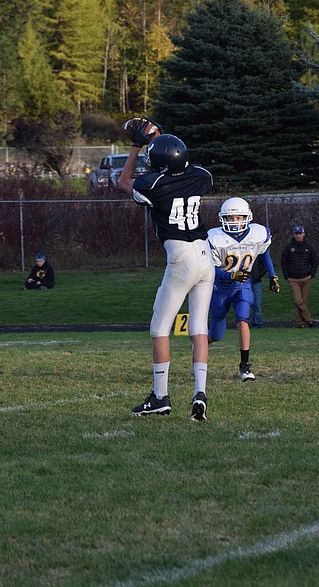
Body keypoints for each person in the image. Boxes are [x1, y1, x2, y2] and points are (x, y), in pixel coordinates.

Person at [119, 120, 214, 421]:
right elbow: (182, 162)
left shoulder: (154, 185)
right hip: (205, 255)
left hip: (181, 257)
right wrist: (163, 141)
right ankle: (200, 392)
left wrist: (137, 146)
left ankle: (160, 396)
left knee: (160, 329)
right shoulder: (201, 176)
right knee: (198, 327)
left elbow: (124, 182)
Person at [206, 197, 279, 381]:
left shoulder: (257, 233)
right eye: (231, 218)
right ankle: (201, 345)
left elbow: (264, 254)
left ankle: (245, 366)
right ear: (223, 219)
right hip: (220, 288)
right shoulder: (215, 238)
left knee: (243, 319)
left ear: (247, 217)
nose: (235, 222)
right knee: (216, 333)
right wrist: (231, 275)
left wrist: (273, 275)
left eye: (239, 217)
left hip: (242, 285)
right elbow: (211, 269)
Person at [280, 225, 318, 328]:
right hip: (293, 279)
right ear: (294, 235)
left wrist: (311, 274)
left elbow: (314, 262)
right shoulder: (288, 248)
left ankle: (301, 323)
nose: (298, 236)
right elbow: (283, 262)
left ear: (304, 234)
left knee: (303, 302)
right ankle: (309, 320)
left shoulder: (309, 248)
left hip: (305, 278)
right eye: (296, 234)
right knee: (298, 301)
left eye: (300, 233)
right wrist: (286, 276)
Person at [248, 255, 270, 329]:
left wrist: (259, 275)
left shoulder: (259, 252)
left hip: (256, 281)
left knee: (257, 304)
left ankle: (257, 324)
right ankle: (243, 323)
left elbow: (265, 265)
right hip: (245, 281)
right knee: (244, 304)